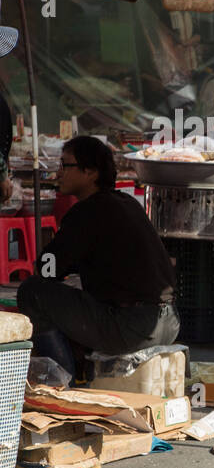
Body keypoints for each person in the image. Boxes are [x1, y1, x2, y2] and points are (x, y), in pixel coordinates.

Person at [17, 136, 179, 377]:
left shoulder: (87, 211)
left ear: (90, 172)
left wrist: (52, 258)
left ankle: (60, 382)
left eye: (65, 165)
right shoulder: (127, 203)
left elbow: (47, 269)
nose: (58, 173)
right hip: (170, 322)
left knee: (33, 292)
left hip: (132, 327)